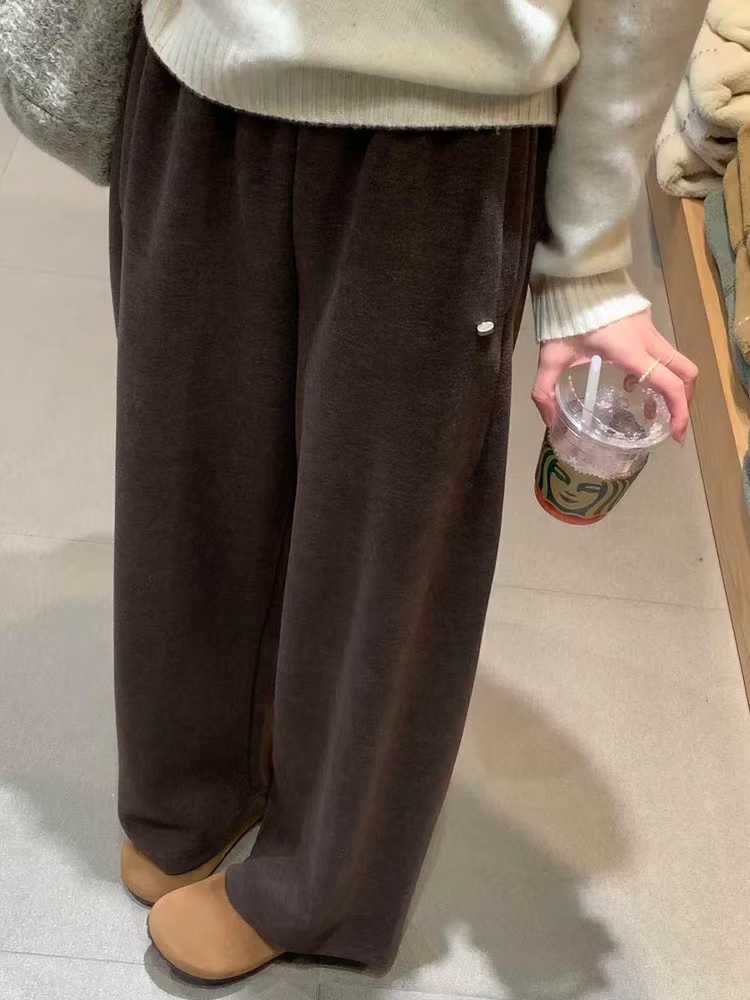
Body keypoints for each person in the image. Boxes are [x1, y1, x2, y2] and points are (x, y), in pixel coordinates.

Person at [112, 0, 704, 985]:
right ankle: (188, 795)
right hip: (198, 79)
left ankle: (318, 886)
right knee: (182, 483)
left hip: (446, 129)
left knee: (383, 540)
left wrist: (590, 256)